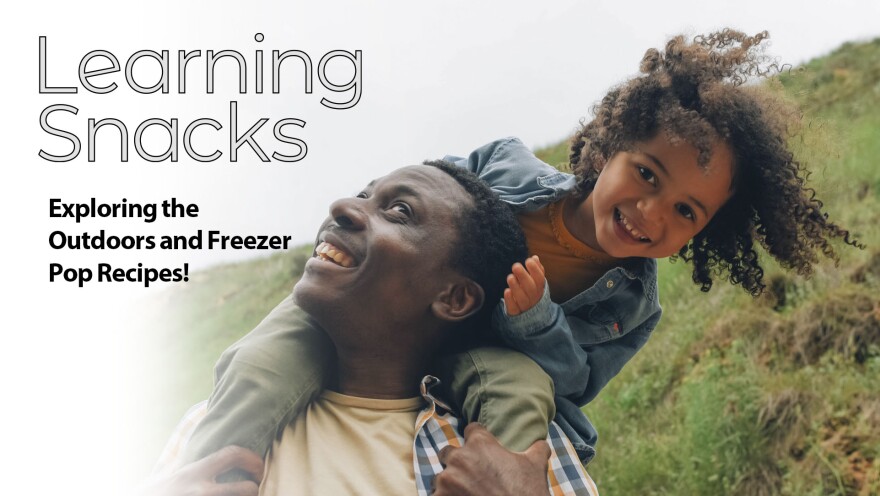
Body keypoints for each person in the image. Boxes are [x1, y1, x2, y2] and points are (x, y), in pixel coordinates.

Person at [180, 28, 861, 469]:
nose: (651, 212)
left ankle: (500, 483)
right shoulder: (506, 166)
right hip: (396, 309)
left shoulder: (632, 303)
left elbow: (576, 385)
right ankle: (219, 469)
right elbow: (419, 186)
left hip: (484, 353)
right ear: (607, 147)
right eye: (646, 175)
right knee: (265, 355)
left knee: (525, 388)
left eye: (685, 210)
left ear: (703, 230)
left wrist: (538, 320)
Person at [146, 162, 598, 495]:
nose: (342, 207)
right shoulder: (212, 425)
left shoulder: (519, 458)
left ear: (454, 298)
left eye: (399, 211)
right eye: (363, 195)